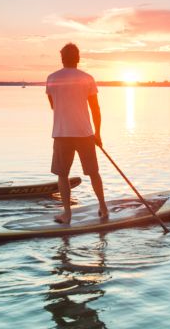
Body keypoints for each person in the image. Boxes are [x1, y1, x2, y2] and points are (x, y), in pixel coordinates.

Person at [46, 43, 108, 224]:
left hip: (61, 132)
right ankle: (103, 207)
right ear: (78, 58)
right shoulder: (87, 78)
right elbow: (95, 109)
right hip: (84, 133)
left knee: (62, 174)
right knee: (93, 172)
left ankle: (67, 214)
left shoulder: (52, 78)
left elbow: (53, 106)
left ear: (62, 58)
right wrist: (98, 133)